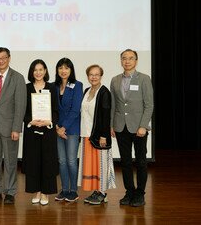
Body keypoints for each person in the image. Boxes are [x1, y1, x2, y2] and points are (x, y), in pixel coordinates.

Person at [110, 49, 153, 207]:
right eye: (124, 58)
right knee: (125, 162)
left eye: (130, 58)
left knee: (141, 162)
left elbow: (149, 105)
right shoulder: (115, 80)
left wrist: (143, 126)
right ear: (121, 61)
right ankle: (129, 192)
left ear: (136, 60)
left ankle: (140, 193)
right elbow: (114, 105)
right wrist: (111, 125)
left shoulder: (144, 79)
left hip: (139, 128)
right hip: (121, 127)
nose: (127, 61)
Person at [0, 47, 27, 205]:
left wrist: (16, 127)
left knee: (10, 161)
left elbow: (20, 105)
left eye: (3, 57)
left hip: (10, 127)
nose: (0, 60)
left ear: (9, 58)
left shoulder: (18, 78)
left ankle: (10, 191)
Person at [22, 59, 59, 205]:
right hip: (32, 131)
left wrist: (49, 122)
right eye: (35, 70)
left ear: (45, 71)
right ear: (32, 72)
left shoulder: (52, 88)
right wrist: (30, 121)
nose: (38, 72)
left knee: (47, 162)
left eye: (41, 69)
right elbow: (22, 110)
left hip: (48, 131)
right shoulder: (26, 88)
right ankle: (36, 191)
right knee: (33, 162)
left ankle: (45, 193)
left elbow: (56, 110)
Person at [78, 64, 116, 205]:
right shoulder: (87, 90)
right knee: (91, 165)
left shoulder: (104, 92)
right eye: (91, 74)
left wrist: (104, 135)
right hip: (86, 134)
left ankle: (103, 193)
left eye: (96, 74)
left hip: (99, 136)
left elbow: (105, 116)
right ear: (88, 76)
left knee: (101, 165)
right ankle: (96, 190)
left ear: (101, 76)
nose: (93, 77)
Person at [54, 57, 83, 202]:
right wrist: (57, 127)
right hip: (58, 128)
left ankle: (73, 191)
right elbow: (52, 109)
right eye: (60, 68)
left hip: (71, 128)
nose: (63, 71)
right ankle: (64, 189)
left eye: (66, 68)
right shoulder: (54, 86)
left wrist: (63, 127)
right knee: (62, 161)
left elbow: (76, 109)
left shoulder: (77, 85)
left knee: (71, 161)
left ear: (71, 70)